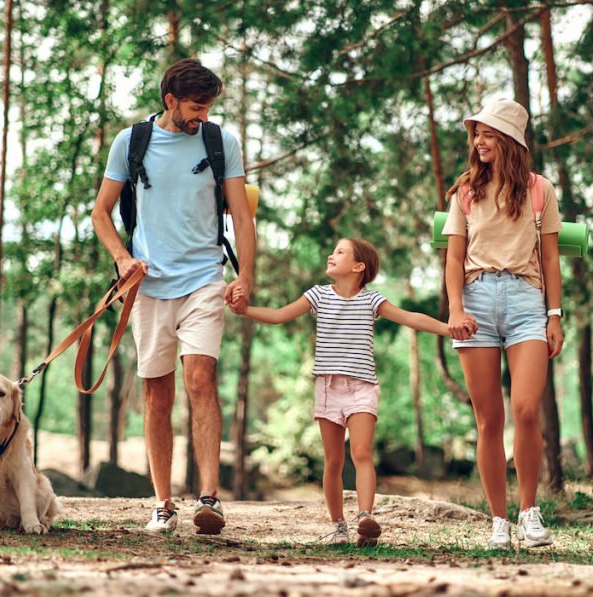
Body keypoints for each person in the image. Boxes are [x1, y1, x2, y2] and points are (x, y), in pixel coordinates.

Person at [91, 58, 255, 535]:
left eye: (208, 108)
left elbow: (242, 218)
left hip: (204, 277)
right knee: (156, 393)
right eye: (195, 107)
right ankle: (163, 503)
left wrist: (244, 275)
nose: (202, 116)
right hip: (147, 285)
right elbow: (101, 213)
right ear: (170, 100)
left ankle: (209, 498)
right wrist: (123, 261)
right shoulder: (131, 142)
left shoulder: (220, 142)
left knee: (201, 379)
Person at [232, 238, 457, 546]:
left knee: (362, 453)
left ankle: (365, 518)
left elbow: (410, 318)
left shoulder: (372, 301)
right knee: (333, 460)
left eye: (339, 251)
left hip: (362, 386)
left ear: (358, 266)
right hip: (328, 386)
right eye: (332, 249)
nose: (330, 254)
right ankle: (338, 526)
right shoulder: (318, 296)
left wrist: (448, 327)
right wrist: (246, 311)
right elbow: (280, 314)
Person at [442, 98, 564, 549]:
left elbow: (550, 257)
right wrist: (455, 309)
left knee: (526, 409)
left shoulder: (539, 190)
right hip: (475, 302)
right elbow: (454, 258)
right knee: (489, 420)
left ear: (509, 140)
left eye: (486, 133)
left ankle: (529, 512)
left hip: (526, 301)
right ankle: (498, 520)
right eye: (476, 133)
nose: (477, 141)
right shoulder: (467, 192)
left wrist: (554, 313)